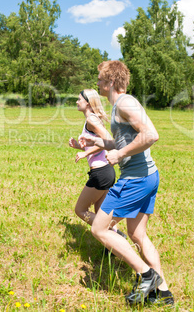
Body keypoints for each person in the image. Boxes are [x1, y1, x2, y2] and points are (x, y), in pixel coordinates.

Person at [79, 61, 174, 307]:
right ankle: (164, 294)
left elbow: (151, 134)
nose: (97, 83)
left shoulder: (125, 102)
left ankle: (147, 275)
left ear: (110, 81)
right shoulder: (117, 106)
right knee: (137, 234)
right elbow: (123, 141)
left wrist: (119, 156)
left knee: (99, 229)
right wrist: (97, 145)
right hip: (148, 176)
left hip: (136, 179)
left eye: (100, 79)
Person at [69, 89, 126, 238]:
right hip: (106, 172)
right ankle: (111, 246)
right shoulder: (92, 119)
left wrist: (85, 153)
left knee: (80, 210)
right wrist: (78, 146)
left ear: (87, 103)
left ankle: (115, 234)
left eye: (79, 99)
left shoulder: (91, 120)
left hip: (101, 173)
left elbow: (107, 140)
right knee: (101, 213)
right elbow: (97, 143)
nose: (77, 102)